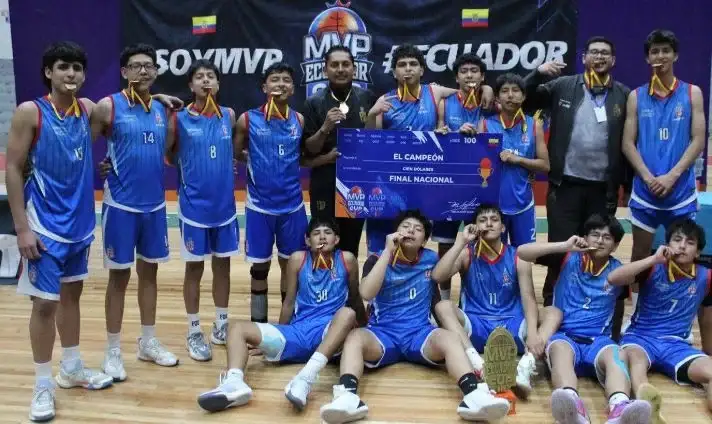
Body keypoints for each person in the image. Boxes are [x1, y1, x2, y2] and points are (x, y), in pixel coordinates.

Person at [319, 210, 510, 424]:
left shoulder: (430, 259)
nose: (411, 230)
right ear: (395, 233)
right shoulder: (377, 258)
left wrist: (461, 242)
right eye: (405, 226)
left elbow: (439, 276)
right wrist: (387, 253)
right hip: (383, 334)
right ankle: (346, 397)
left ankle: (474, 396)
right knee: (354, 339)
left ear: (424, 240)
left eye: (418, 229)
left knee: (450, 338)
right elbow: (366, 293)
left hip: (419, 334)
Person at [8, 41, 113, 422]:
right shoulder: (29, 112)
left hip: (80, 224)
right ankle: (41, 383)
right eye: (63, 67)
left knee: (71, 296)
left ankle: (71, 368)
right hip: (43, 224)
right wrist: (22, 228)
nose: (71, 74)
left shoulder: (87, 110)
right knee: (45, 304)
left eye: (77, 69)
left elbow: (128, 103)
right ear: (49, 72)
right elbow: (14, 169)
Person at [197, 217, 366, 412]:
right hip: (298, 332)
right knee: (236, 328)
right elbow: (289, 301)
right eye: (316, 233)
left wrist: (365, 329)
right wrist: (274, 336)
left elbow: (355, 296)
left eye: (327, 233)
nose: (322, 237)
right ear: (307, 240)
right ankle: (234, 383)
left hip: (330, 334)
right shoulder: (297, 259)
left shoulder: (346, 260)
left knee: (347, 313)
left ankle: (306, 378)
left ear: (336, 239)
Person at [523, 36, 632, 322]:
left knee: (597, 248)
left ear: (613, 60)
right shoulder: (563, 86)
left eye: (605, 53)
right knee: (562, 246)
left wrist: (627, 185)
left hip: (602, 189)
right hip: (565, 185)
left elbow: (632, 141)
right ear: (584, 58)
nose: (599, 57)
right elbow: (524, 99)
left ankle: (591, 306)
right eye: (594, 52)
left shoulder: (623, 94)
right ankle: (551, 303)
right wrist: (537, 74)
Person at [91, 43, 179, 380]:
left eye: (149, 66)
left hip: (155, 206)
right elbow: (85, 144)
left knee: (150, 275)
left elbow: (169, 150)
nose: (143, 71)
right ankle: (113, 351)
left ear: (156, 72)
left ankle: (148, 342)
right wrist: (99, 166)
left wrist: (159, 99)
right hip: (120, 206)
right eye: (136, 66)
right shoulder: (107, 106)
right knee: (119, 278)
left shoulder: (162, 110)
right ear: (124, 72)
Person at [517, 214, 652, 424]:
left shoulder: (619, 271)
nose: (599, 241)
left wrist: (615, 337)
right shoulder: (566, 258)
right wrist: (564, 245)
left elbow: (618, 306)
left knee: (617, 354)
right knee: (560, 353)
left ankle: (619, 408)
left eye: (607, 237)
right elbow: (522, 252)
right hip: (565, 336)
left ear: (615, 245)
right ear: (585, 238)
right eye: (594, 235)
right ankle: (573, 407)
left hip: (599, 341)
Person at [363, 44, 492, 258]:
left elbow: (467, 90)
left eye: (413, 64)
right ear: (394, 72)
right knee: (381, 245)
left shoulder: (434, 92)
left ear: (422, 70)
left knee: (414, 242)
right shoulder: (385, 101)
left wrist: (486, 88)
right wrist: (372, 114)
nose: (408, 69)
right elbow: (371, 140)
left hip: (422, 183)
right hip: (391, 181)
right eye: (402, 65)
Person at [621, 29, 706, 334]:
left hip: (680, 192)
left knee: (683, 256)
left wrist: (671, 175)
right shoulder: (636, 96)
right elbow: (628, 143)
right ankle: (636, 314)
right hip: (645, 193)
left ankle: (679, 318)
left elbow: (698, 140)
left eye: (665, 51)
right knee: (640, 256)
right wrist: (646, 176)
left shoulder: (692, 92)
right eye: (654, 52)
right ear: (647, 57)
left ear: (675, 55)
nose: (660, 57)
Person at [430, 204, 541, 398]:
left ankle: (526, 365)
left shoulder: (518, 256)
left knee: (553, 313)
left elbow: (529, 299)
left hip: (512, 327)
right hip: (476, 327)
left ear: (503, 228)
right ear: (475, 227)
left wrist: (532, 334)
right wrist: (460, 243)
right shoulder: (467, 253)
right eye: (482, 220)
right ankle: (477, 364)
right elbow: (438, 276)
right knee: (442, 306)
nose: (488, 224)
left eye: (494, 219)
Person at [168, 59, 239, 361]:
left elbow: (232, 152)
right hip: (193, 209)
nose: (206, 81)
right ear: (190, 85)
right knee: (194, 268)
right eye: (199, 77)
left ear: (219, 84)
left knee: (223, 266)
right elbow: (169, 155)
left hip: (225, 208)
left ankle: (221, 324)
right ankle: (194, 329)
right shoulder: (179, 118)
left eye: (211, 76)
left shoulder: (229, 116)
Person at [608, 218, 712, 423]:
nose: (682, 246)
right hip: (641, 338)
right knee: (635, 363)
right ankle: (647, 406)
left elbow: (707, 317)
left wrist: (708, 352)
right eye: (677, 239)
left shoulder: (706, 277)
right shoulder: (652, 267)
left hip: (678, 345)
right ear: (667, 244)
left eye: (690, 242)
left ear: (698, 252)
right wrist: (653, 260)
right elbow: (613, 278)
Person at [234, 62, 308, 323]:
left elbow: (302, 155)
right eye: (274, 80)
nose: (280, 85)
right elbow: (235, 151)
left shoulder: (299, 119)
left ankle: (288, 325)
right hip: (259, 207)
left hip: (293, 207)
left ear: (293, 88)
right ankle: (259, 325)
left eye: (286, 80)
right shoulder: (247, 119)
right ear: (264, 87)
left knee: (291, 268)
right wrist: (255, 161)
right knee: (260, 267)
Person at [302, 46, 378, 258]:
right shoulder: (314, 102)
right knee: (324, 241)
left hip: (357, 182)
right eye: (334, 65)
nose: (340, 69)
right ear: (325, 71)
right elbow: (309, 150)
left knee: (351, 243)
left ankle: (349, 291)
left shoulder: (367, 98)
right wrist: (325, 127)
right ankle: (324, 287)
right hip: (325, 182)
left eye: (346, 64)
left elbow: (375, 140)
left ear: (354, 69)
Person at [431, 52, 487, 301]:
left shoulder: (489, 101)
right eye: (464, 71)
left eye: (474, 71)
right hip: (449, 183)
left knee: (478, 242)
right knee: (445, 243)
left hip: (480, 184)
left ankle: (470, 296)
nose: (469, 75)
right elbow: (438, 130)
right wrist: (451, 132)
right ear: (456, 77)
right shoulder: (446, 100)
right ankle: (444, 299)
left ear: (482, 76)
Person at [478, 73, 549, 247]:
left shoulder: (534, 125)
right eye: (505, 91)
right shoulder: (485, 125)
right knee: (490, 256)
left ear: (523, 96)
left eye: (516, 90)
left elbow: (545, 165)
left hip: (523, 205)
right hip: (492, 207)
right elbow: (476, 165)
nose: (510, 95)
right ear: (497, 97)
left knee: (524, 257)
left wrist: (517, 159)